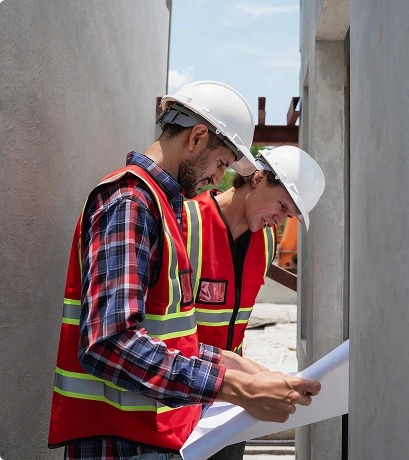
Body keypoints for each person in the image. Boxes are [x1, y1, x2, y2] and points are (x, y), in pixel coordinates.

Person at [48, 81, 321, 460]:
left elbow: (172, 338)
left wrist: (243, 371)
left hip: (155, 428)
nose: (217, 178)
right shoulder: (130, 203)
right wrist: (235, 387)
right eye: (222, 163)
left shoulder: (158, 206)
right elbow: (110, 343)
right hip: (117, 438)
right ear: (196, 138)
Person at [182, 145, 325, 459]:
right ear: (258, 178)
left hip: (232, 402)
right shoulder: (186, 223)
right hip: (181, 394)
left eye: (288, 215)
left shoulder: (268, 240)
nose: (280, 220)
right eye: (282, 205)